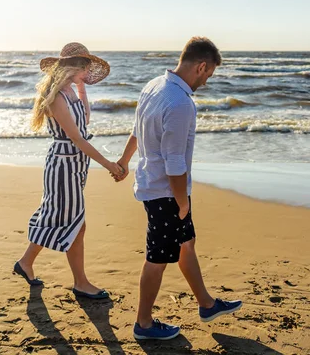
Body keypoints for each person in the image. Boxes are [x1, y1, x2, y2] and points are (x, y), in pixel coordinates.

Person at [115, 37, 242, 340]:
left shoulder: (154, 85)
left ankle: (207, 304)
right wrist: (181, 201)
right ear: (201, 66)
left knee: (187, 243)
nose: (207, 80)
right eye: (208, 74)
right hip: (164, 192)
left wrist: (123, 161)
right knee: (157, 259)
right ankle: (143, 324)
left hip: (157, 185)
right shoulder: (180, 103)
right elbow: (174, 162)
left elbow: (137, 129)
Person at [14, 43, 123, 300]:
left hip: (74, 165)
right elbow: (78, 139)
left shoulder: (71, 90)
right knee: (76, 224)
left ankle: (26, 262)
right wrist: (108, 164)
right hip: (64, 165)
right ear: (74, 67)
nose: (88, 72)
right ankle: (81, 283)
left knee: (56, 217)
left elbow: (84, 120)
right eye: (85, 68)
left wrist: (82, 87)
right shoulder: (56, 97)